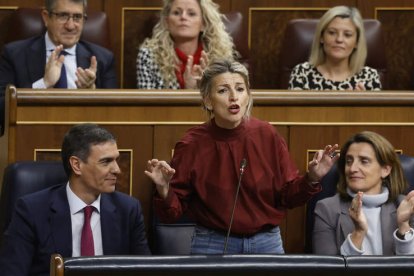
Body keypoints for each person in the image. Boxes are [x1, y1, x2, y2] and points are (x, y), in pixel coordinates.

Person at [145, 60, 339, 254]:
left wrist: (312, 178)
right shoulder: (192, 144)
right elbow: (172, 214)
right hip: (213, 243)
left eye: (239, 89)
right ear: (207, 100)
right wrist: (164, 188)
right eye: (223, 91)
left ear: (248, 95)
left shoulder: (267, 135)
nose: (233, 97)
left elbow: (288, 197)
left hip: (266, 242)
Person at [0, 123, 150, 276]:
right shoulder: (32, 210)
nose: (117, 169)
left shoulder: (128, 209)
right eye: (106, 162)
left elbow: (144, 271)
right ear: (77, 165)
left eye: (116, 160)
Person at [313, 131, 414, 255]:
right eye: (349, 161)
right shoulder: (327, 209)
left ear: (385, 170)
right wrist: (358, 233)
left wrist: (403, 226)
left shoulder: (406, 207)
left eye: (364, 161)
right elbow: (327, 270)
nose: (352, 168)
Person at [0, 0, 117, 91]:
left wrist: (91, 92)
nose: (70, 26)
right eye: (63, 16)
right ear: (46, 17)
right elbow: (3, 107)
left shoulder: (104, 59)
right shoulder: (14, 55)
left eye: (77, 17)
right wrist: (44, 84)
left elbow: (113, 113)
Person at [136, 0, 237, 89]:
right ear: (167, 22)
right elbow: (149, 106)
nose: (183, 17)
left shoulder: (221, 57)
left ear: (203, 24)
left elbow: (228, 101)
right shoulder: (149, 56)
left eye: (191, 14)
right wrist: (187, 91)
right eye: (177, 13)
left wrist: (204, 88)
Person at [288, 6, 381, 91]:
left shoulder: (369, 77)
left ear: (356, 42)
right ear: (321, 37)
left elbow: (379, 110)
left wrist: (361, 105)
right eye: (332, 33)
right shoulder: (302, 73)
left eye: (347, 35)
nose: (339, 39)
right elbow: (293, 110)